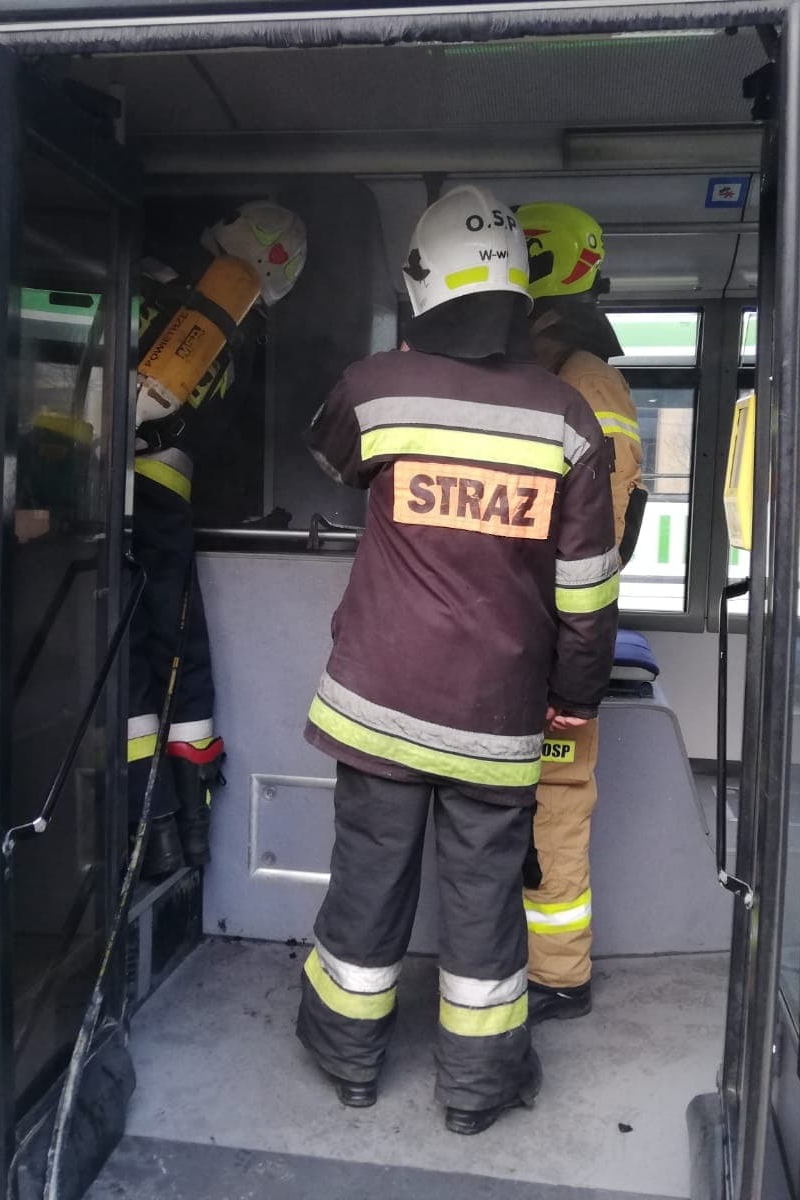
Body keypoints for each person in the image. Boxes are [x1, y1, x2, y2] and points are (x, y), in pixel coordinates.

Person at [296, 185, 620, 1134]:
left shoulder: (377, 388)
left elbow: (330, 459)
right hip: (498, 716)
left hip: (377, 701)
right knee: (484, 899)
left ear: (422, 283)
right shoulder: (567, 416)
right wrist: (575, 695)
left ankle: (349, 1063)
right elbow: (586, 589)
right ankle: (476, 1091)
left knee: (368, 879)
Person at [129, 202, 308, 879]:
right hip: (168, 502)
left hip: (110, 493)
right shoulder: (240, 342)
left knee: (126, 658)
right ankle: (188, 838)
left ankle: (149, 830)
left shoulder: (151, 284)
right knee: (181, 653)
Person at [513, 202, 645, 1024]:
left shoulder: (584, 386)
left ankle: (557, 976)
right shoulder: (560, 375)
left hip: (556, 645)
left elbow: (591, 543)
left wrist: (567, 670)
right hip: (534, 639)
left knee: (553, 811)